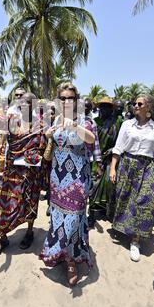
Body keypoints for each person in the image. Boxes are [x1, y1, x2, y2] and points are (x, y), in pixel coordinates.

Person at [39, 83, 95, 287]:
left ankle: (71, 261)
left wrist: (73, 126)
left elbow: (90, 139)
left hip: (78, 178)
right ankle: (61, 254)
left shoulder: (85, 120)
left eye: (70, 98)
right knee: (58, 217)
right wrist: (48, 135)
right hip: (57, 177)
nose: (66, 102)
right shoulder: (56, 120)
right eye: (62, 98)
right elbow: (52, 144)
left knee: (74, 218)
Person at [0, 92, 46, 257]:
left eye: (29, 101)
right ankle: (3, 236)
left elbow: (43, 147)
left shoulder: (41, 125)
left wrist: (37, 152)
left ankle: (29, 232)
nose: (25, 104)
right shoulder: (11, 121)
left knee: (30, 201)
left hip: (30, 171)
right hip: (11, 169)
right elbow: (2, 139)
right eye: (22, 101)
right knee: (4, 202)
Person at [109, 95, 154, 262]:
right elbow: (118, 148)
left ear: (149, 107)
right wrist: (113, 168)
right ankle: (123, 228)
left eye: (139, 103)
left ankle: (136, 240)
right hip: (127, 165)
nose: (135, 105)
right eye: (134, 103)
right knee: (125, 199)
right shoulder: (127, 125)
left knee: (144, 203)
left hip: (147, 168)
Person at [88, 96, 123, 226]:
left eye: (107, 106)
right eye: (102, 106)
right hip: (95, 159)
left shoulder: (116, 123)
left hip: (109, 159)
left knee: (109, 185)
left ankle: (105, 210)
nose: (105, 109)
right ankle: (91, 214)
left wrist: (113, 149)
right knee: (93, 185)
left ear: (111, 109)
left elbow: (121, 141)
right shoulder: (94, 121)